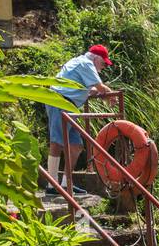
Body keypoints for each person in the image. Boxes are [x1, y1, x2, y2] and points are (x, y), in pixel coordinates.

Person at [46, 45, 115, 197]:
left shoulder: (81, 63)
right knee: (57, 142)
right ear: (96, 58)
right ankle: (51, 184)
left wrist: (103, 91)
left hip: (69, 104)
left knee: (76, 146)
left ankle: (66, 183)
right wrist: (110, 94)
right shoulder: (86, 63)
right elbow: (100, 87)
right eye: (104, 64)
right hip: (59, 100)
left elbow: (92, 89)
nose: (103, 68)